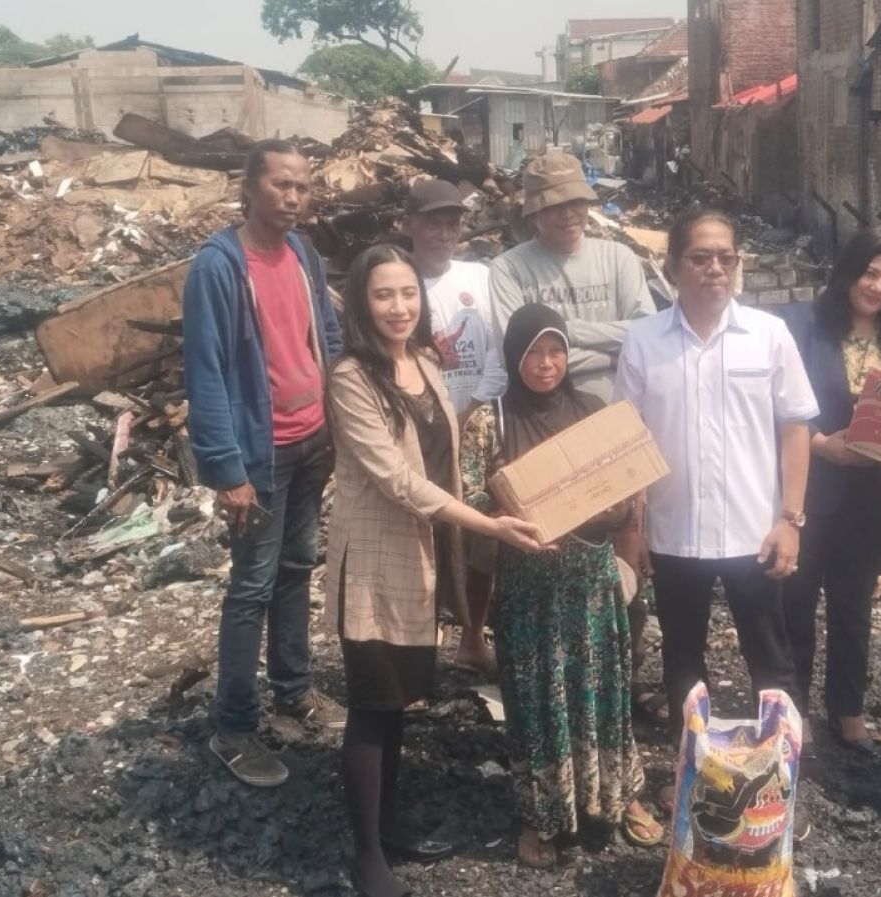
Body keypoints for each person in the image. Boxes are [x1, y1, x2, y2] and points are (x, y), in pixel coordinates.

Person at [325, 245, 546, 897]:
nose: (399, 307)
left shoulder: (423, 360)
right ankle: (366, 856)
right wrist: (486, 526)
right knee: (371, 705)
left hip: (418, 559)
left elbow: (445, 458)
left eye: (408, 293)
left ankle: (388, 830)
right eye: (383, 295)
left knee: (396, 705)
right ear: (362, 304)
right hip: (371, 562)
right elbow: (398, 479)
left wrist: (499, 502)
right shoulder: (350, 377)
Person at [613, 209, 819, 813]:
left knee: (770, 658)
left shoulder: (768, 335)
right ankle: (697, 775)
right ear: (674, 265)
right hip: (675, 532)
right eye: (700, 257)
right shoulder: (644, 341)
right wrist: (635, 527)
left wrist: (792, 519)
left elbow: (795, 428)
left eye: (726, 257)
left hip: (755, 531)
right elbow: (629, 442)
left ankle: (779, 786)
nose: (714, 268)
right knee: (683, 654)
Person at [461, 303, 662, 869]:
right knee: (538, 698)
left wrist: (626, 524)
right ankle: (542, 814)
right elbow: (467, 495)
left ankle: (617, 796)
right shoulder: (491, 420)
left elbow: (628, 488)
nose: (546, 364)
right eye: (533, 353)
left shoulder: (592, 412)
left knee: (601, 693)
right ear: (513, 356)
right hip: (530, 588)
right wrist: (508, 506)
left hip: (591, 581)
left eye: (556, 351)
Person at [184, 138, 346, 789]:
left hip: (311, 443)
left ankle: (293, 689)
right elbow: (207, 373)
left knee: (296, 568)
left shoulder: (303, 254)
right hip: (262, 452)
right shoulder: (218, 267)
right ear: (248, 187)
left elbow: (325, 338)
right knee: (251, 585)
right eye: (281, 184)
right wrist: (227, 470)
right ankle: (233, 725)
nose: (293, 195)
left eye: (303, 185)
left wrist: (337, 416)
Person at [779, 225, 881, 753]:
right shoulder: (800, 325)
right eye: (870, 273)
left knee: (852, 605)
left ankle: (847, 710)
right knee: (794, 600)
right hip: (807, 485)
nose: (879, 287)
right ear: (849, 269)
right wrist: (820, 444)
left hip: (870, 492)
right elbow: (772, 403)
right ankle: (791, 712)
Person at [403, 178, 508, 676]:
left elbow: (499, 349)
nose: (443, 233)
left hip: (481, 424)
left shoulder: (481, 277)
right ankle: (417, 646)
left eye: (452, 223)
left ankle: (471, 635)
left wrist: (475, 408)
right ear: (409, 225)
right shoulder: (400, 282)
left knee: (481, 536)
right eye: (432, 222)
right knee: (423, 535)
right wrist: (438, 415)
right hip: (421, 428)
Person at [488, 151, 657, 404]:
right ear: (534, 213)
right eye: (555, 205)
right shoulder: (509, 268)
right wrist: (612, 357)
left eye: (576, 202)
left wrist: (570, 331)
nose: (568, 214)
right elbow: (518, 354)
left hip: (618, 409)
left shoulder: (619, 258)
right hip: (542, 414)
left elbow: (647, 334)